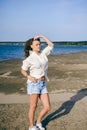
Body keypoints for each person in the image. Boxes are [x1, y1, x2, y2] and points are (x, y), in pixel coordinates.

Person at [21, 35, 54, 130]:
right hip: (34, 84)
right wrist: (28, 76)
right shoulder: (30, 59)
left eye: (39, 44)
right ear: (31, 46)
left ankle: (38, 122)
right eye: (36, 44)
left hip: (43, 84)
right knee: (33, 106)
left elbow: (51, 45)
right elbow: (23, 70)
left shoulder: (43, 54)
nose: (39, 46)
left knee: (47, 107)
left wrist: (41, 36)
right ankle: (31, 127)